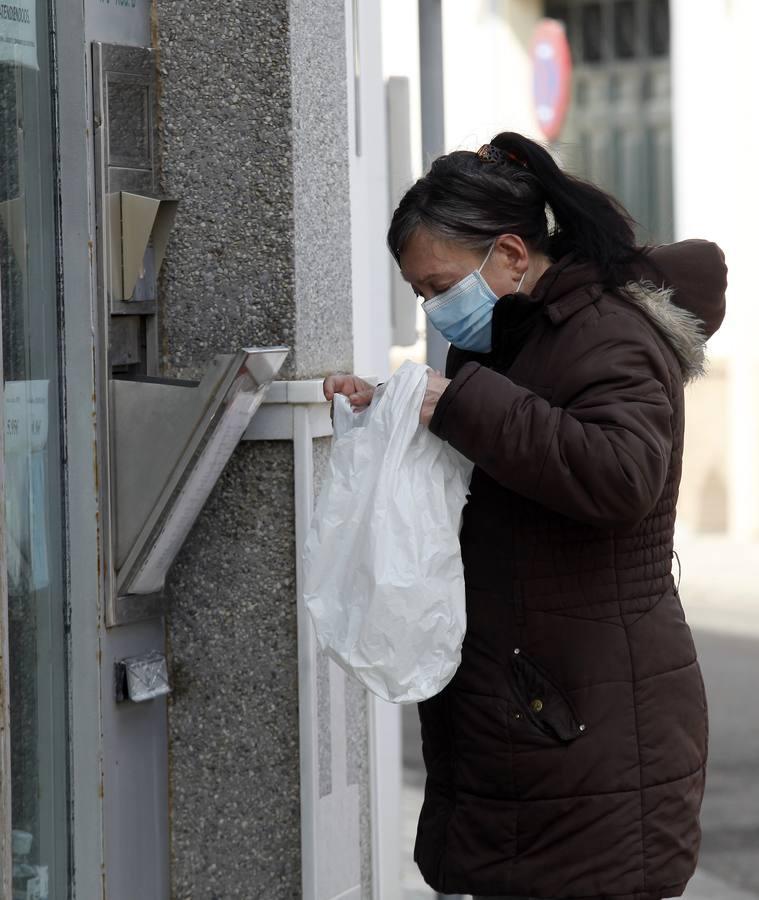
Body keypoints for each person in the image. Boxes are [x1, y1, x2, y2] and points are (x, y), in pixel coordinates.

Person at [323, 131, 726, 900]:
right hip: (532, 705)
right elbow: (510, 449)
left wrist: (459, 402)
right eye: (419, 295)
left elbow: (621, 474)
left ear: (509, 254)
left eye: (439, 286)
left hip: (593, 721)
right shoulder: (512, 336)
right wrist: (399, 409)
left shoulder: (606, 332)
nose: (435, 310)